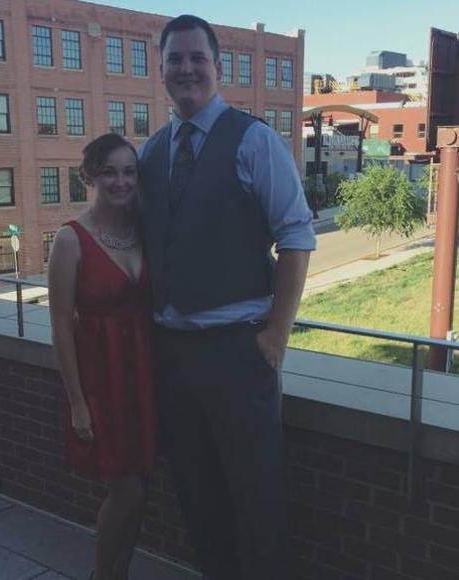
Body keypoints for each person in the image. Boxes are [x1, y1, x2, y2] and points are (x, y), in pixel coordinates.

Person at [138, 14, 316, 580]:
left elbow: (296, 236)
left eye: (198, 58)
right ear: (161, 70)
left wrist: (276, 337)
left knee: (257, 501)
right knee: (197, 498)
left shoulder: (254, 139)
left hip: (239, 353)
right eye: (175, 59)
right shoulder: (152, 152)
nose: (186, 68)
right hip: (173, 355)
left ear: (218, 67)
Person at [48, 134, 156, 580]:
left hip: (144, 376)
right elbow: (60, 326)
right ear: (88, 177)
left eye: (129, 171)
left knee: (142, 488)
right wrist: (77, 402)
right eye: (109, 172)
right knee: (127, 490)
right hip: (101, 381)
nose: (121, 181)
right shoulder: (70, 239)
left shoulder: (145, 230)